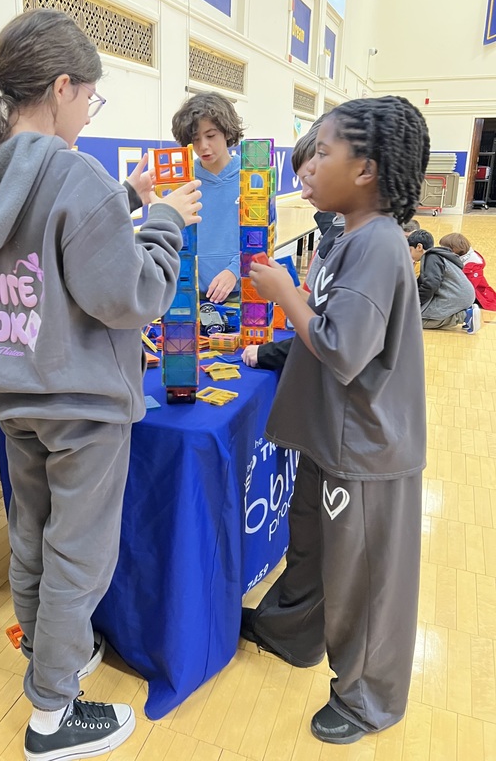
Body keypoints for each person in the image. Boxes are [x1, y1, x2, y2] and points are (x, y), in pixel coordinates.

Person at [0, 9, 201, 761]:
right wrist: (161, 223)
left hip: (14, 390)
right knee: (79, 559)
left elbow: (51, 242)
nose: (89, 112)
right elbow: (132, 296)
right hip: (81, 405)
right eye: (91, 97)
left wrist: (124, 202)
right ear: (61, 88)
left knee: (33, 540)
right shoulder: (73, 173)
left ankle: (49, 653)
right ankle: (52, 714)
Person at [241, 95, 430, 744]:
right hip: (331, 436)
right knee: (312, 550)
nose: (308, 167)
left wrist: (283, 294)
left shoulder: (377, 242)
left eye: (322, 153)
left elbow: (343, 348)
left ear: (367, 169)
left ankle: (367, 699)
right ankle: (290, 633)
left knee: (363, 580)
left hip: (366, 447)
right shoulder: (349, 237)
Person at [242, 114, 345, 370]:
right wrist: (289, 289)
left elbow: (332, 341)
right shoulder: (340, 232)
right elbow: (320, 307)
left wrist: (285, 293)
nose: (304, 193)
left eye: (310, 180)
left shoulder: (363, 247)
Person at [171, 91, 244, 303]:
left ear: (227, 132)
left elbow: (264, 240)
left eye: (211, 136)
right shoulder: (184, 183)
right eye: (195, 139)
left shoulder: (251, 178)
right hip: (191, 296)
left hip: (240, 295)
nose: (203, 146)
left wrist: (235, 270)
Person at [407, 229, 478, 331]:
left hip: (457, 297)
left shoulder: (431, 257)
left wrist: (416, 303)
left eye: (410, 250)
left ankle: (465, 316)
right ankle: (463, 313)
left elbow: (430, 284)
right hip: (461, 295)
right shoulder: (436, 256)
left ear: (419, 247)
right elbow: (422, 282)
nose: (409, 255)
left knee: (414, 320)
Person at [439, 231, 496, 310]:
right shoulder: (458, 258)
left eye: (444, 248)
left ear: (455, 249)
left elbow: (468, 288)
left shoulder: (473, 267)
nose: (442, 250)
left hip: (479, 296)